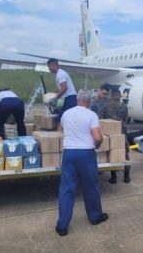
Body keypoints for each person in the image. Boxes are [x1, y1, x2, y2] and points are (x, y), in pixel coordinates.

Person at [56, 89, 108, 236]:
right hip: (86, 154)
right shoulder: (91, 115)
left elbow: (60, 128)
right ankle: (95, 216)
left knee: (67, 188)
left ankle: (62, 225)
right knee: (90, 186)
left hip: (69, 153)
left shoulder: (67, 113)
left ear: (77, 99)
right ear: (89, 101)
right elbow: (97, 137)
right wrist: (97, 145)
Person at [106, 89, 131, 184]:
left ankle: (114, 177)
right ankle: (126, 177)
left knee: (113, 153)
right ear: (119, 96)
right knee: (125, 153)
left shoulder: (107, 105)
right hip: (122, 132)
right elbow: (126, 119)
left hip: (111, 132)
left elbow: (103, 118)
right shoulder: (124, 106)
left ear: (112, 95)